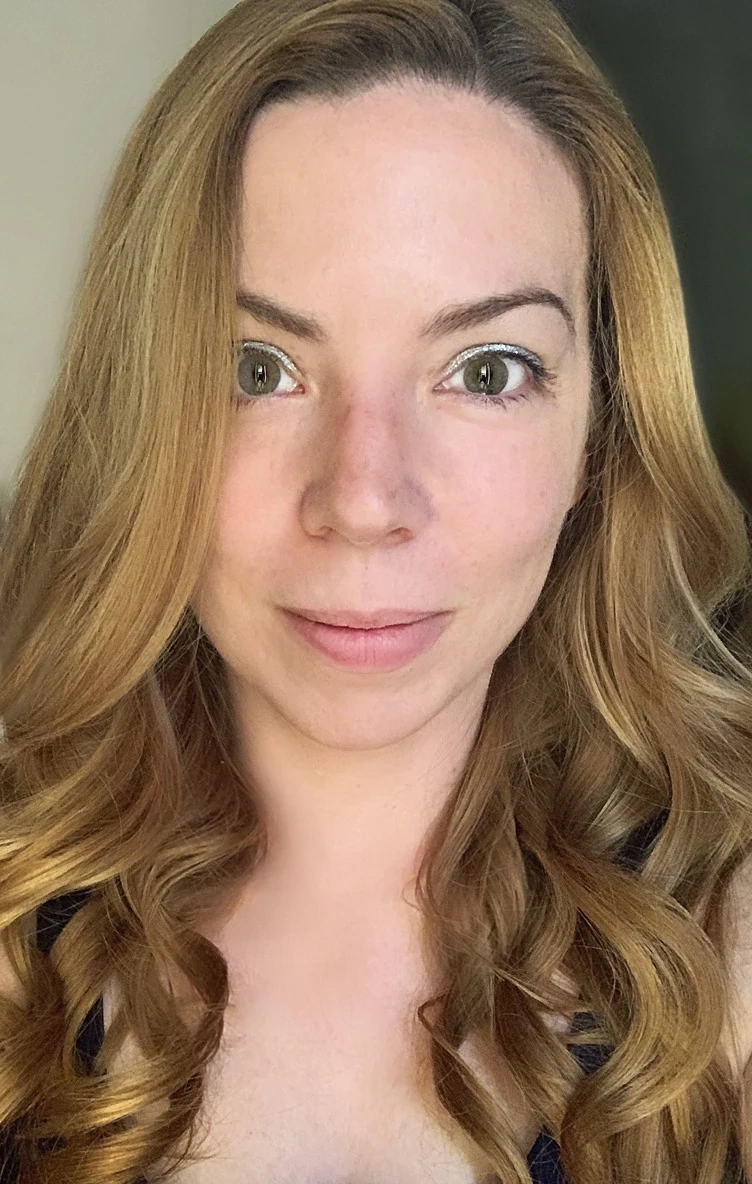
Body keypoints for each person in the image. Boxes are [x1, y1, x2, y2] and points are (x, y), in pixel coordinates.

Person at [1, 0, 751, 1181]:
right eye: (257, 368)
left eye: (485, 371)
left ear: (595, 432)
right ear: (145, 408)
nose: (361, 498)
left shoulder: (720, 949)